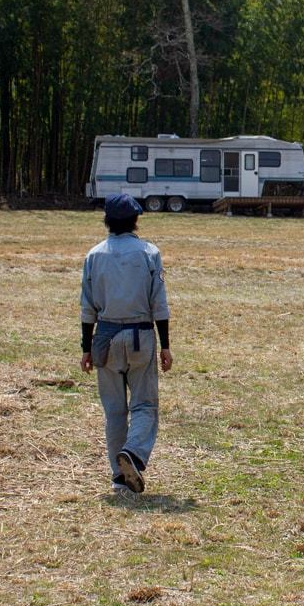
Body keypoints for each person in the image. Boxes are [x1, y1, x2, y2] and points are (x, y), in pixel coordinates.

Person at [80, 194, 173, 493]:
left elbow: (87, 307)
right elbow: (159, 303)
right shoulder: (148, 252)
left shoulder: (94, 255)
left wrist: (85, 348)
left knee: (114, 410)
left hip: (104, 338)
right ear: (135, 219)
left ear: (107, 220)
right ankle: (132, 453)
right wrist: (166, 345)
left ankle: (119, 479)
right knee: (145, 405)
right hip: (140, 337)